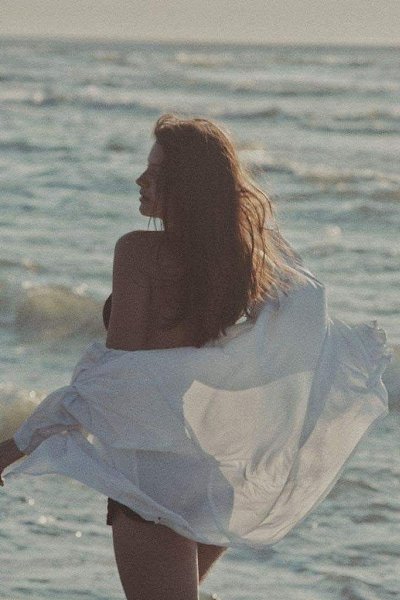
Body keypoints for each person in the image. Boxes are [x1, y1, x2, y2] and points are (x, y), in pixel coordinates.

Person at [0, 114, 391, 600]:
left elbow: (114, 383)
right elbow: (300, 325)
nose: (139, 180)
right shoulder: (239, 263)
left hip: (151, 482)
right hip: (208, 480)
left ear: (185, 186)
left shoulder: (139, 252)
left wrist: (14, 448)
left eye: (155, 173)